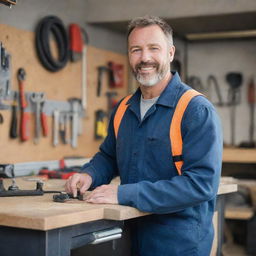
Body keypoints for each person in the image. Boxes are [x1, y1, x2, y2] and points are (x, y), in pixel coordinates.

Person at [65, 15, 223, 256]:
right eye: (136, 50)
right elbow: (109, 156)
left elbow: (201, 185)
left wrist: (122, 193)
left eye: (153, 48)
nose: (145, 58)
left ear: (170, 53)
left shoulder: (195, 110)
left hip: (177, 244)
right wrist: (90, 174)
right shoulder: (123, 108)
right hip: (129, 235)